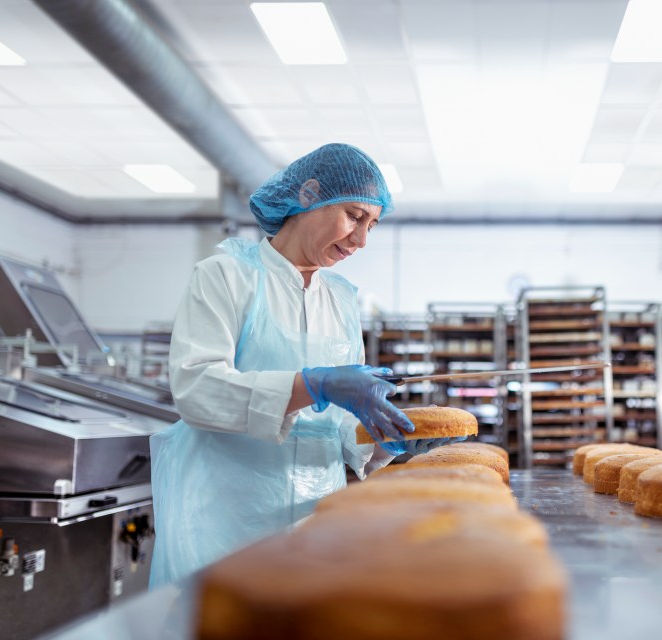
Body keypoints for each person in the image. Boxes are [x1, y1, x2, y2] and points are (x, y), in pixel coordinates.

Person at [149, 143, 460, 588]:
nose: (361, 240)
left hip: (319, 526)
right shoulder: (226, 276)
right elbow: (198, 390)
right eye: (354, 216)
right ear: (310, 194)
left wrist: (383, 445)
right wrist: (312, 384)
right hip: (226, 524)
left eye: (372, 224)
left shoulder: (342, 300)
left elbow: (337, 434)